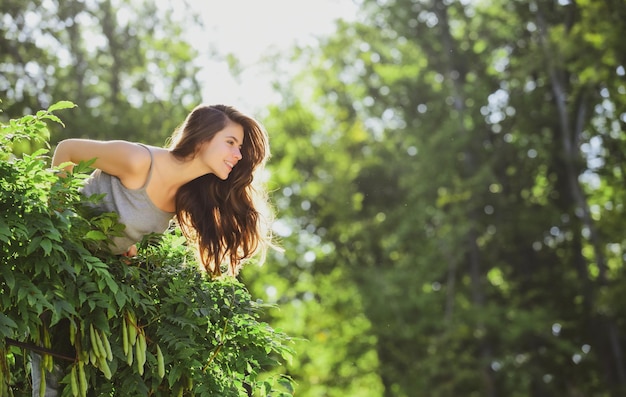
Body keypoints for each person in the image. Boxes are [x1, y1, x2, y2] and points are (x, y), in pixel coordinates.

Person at [32, 104, 276, 396]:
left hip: (88, 287)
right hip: (51, 269)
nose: (238, 155)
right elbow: (67, 149)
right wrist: (56, 221)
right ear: (201, 139)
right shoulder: (139, 161)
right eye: (231, 143)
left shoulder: (182, 196)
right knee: (49, 383)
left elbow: (131, 218)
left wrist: (124, 245)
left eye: (240, 147)